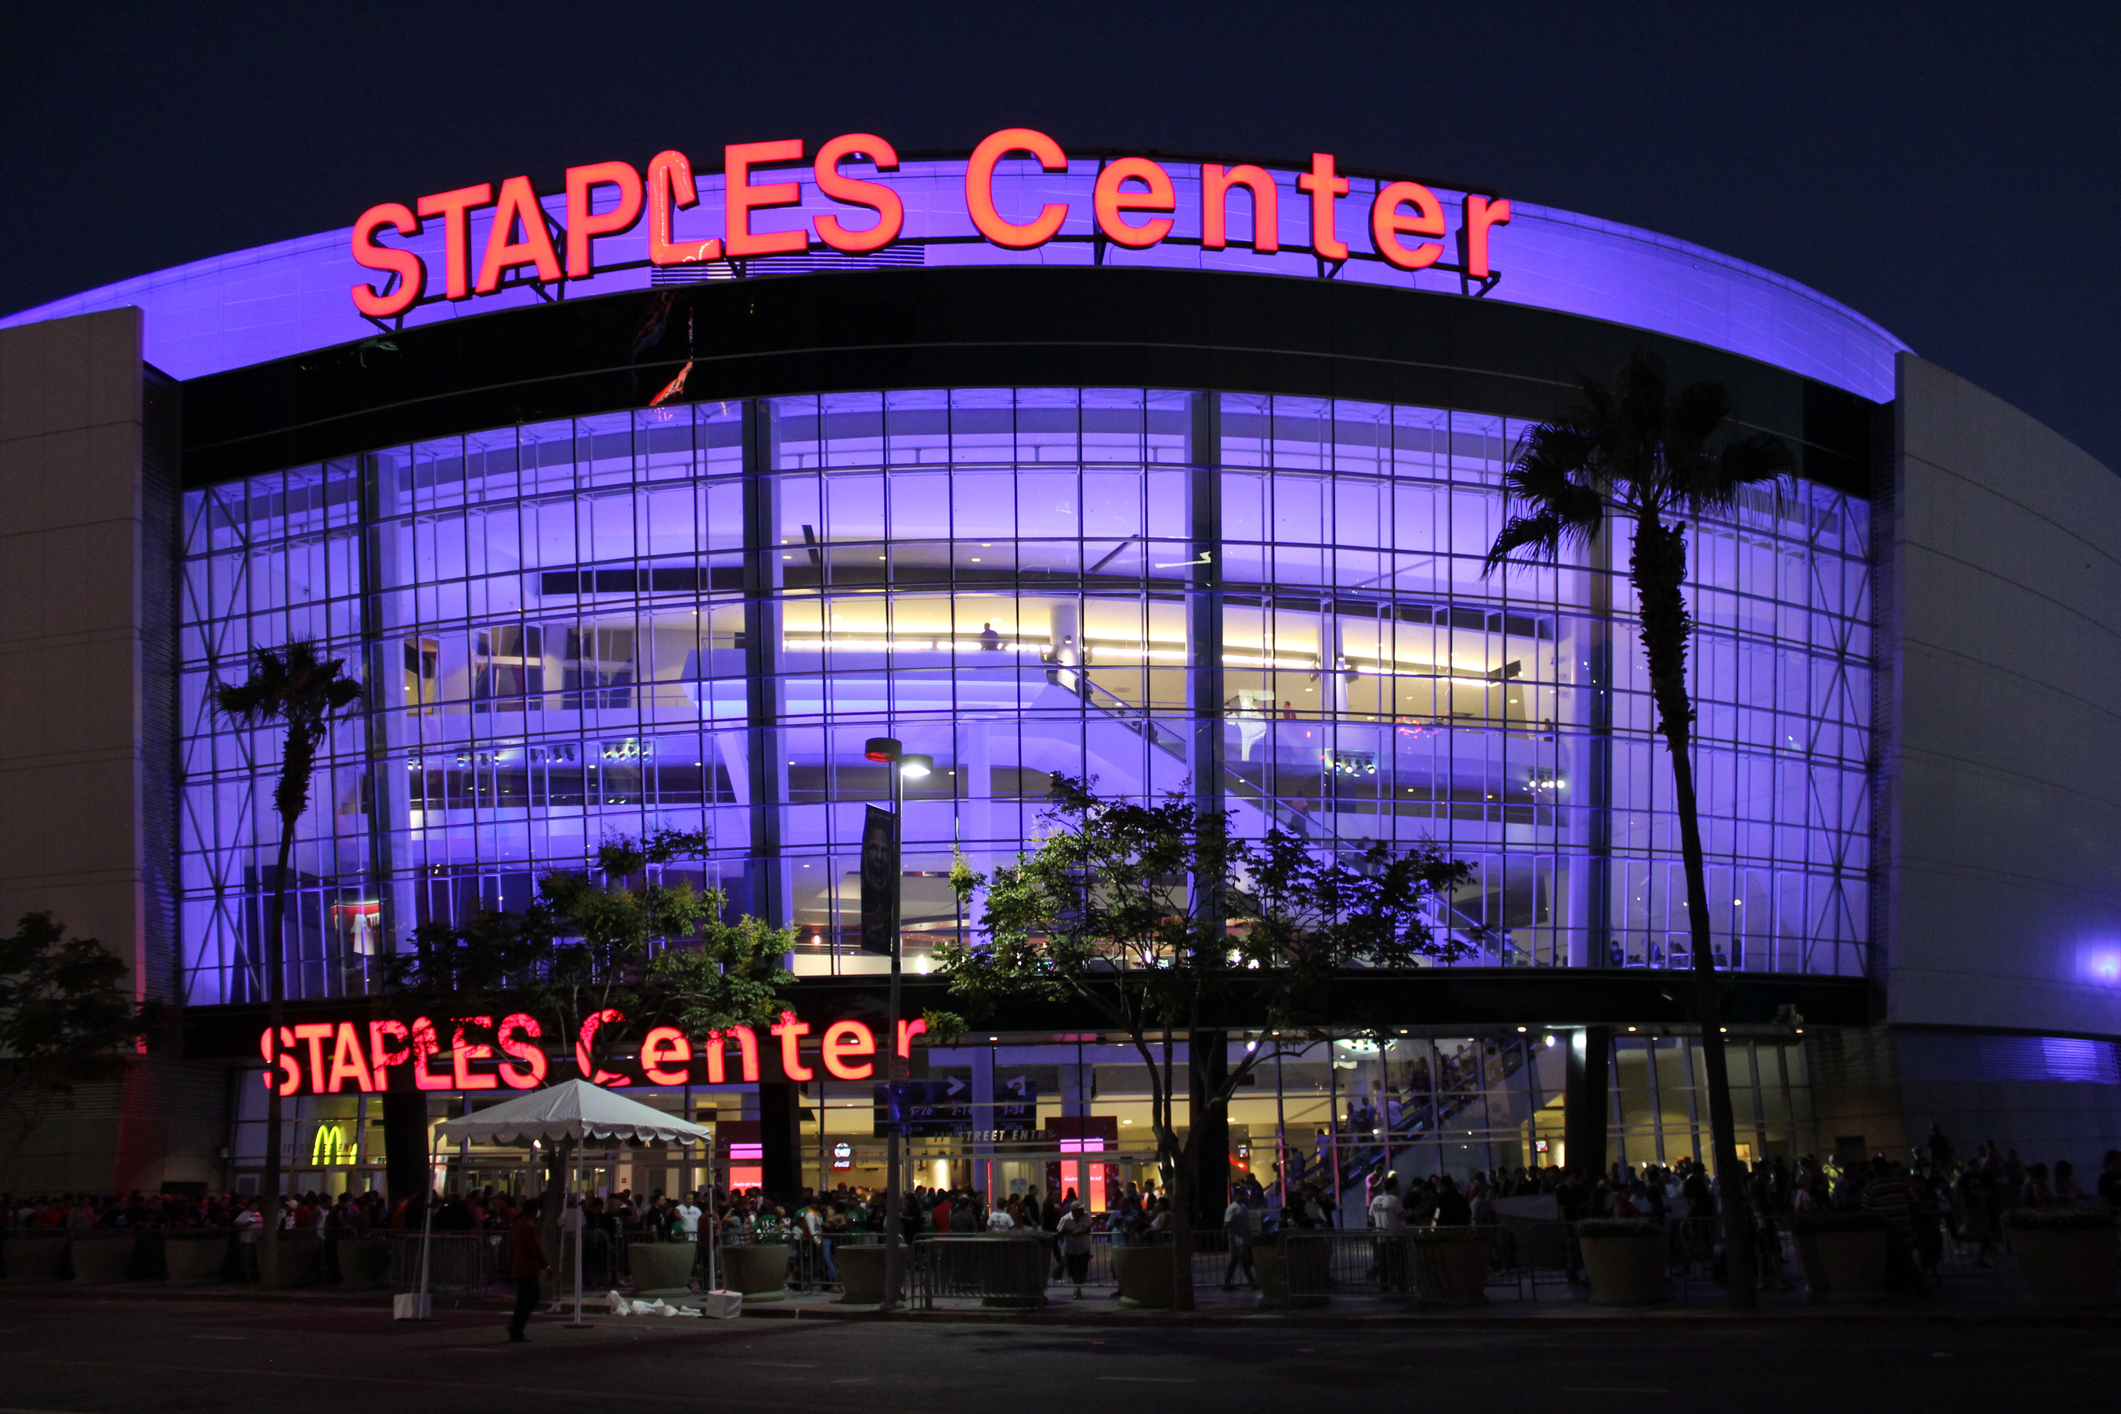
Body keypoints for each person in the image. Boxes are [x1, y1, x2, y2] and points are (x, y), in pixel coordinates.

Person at [507, 1199, 546, 1343]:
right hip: (527, 1267)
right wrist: (545, 1265)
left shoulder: (516, 1225)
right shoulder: (528, 1227)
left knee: (523, 1299)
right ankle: (516, 1328)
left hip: (518, 1266)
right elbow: (535, 1248)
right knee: (531, 1297)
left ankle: (515, 1327)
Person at [1365, 1175, 1405, 1291]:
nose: (1400, 1188)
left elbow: (1371, 1219)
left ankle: (1385, 1288)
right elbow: (1402, 1217)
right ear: (1394, 1187)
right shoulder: (1394, 1200)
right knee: (1398, 1264)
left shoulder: (1376, 1200)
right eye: (1398, 1186)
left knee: (1384, 1266)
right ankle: (1401, 1288)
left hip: (1380, 1239)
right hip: (1395, 1238)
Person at [1057, 1198, 1093, 1297]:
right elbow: (1059, 1230)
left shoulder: (1086, 1216)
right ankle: (1076, 1288)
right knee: (1073, 1270)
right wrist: (1070, 1232)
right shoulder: (1066, 1219)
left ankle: (1078, 1287)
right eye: (1079, 1209)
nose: (1082, 1211)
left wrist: (1080, 1232)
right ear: (1074, 1211)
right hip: (1071, 1248)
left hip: (1083, 1247)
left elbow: (1089, 1228)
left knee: (1082, 1270)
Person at [1223, 1184, 1257, 1290]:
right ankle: (1252, 1282)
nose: (1243, 1197)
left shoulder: (1243, 1207)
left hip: (1244, 1239)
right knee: (1244, 1261)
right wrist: (1224, 1236)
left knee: (1235, 1261)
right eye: (1241, 1195)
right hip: (1238, 1240)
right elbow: (1226, 1224)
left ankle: (1227, 1283)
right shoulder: (1232, 1208)